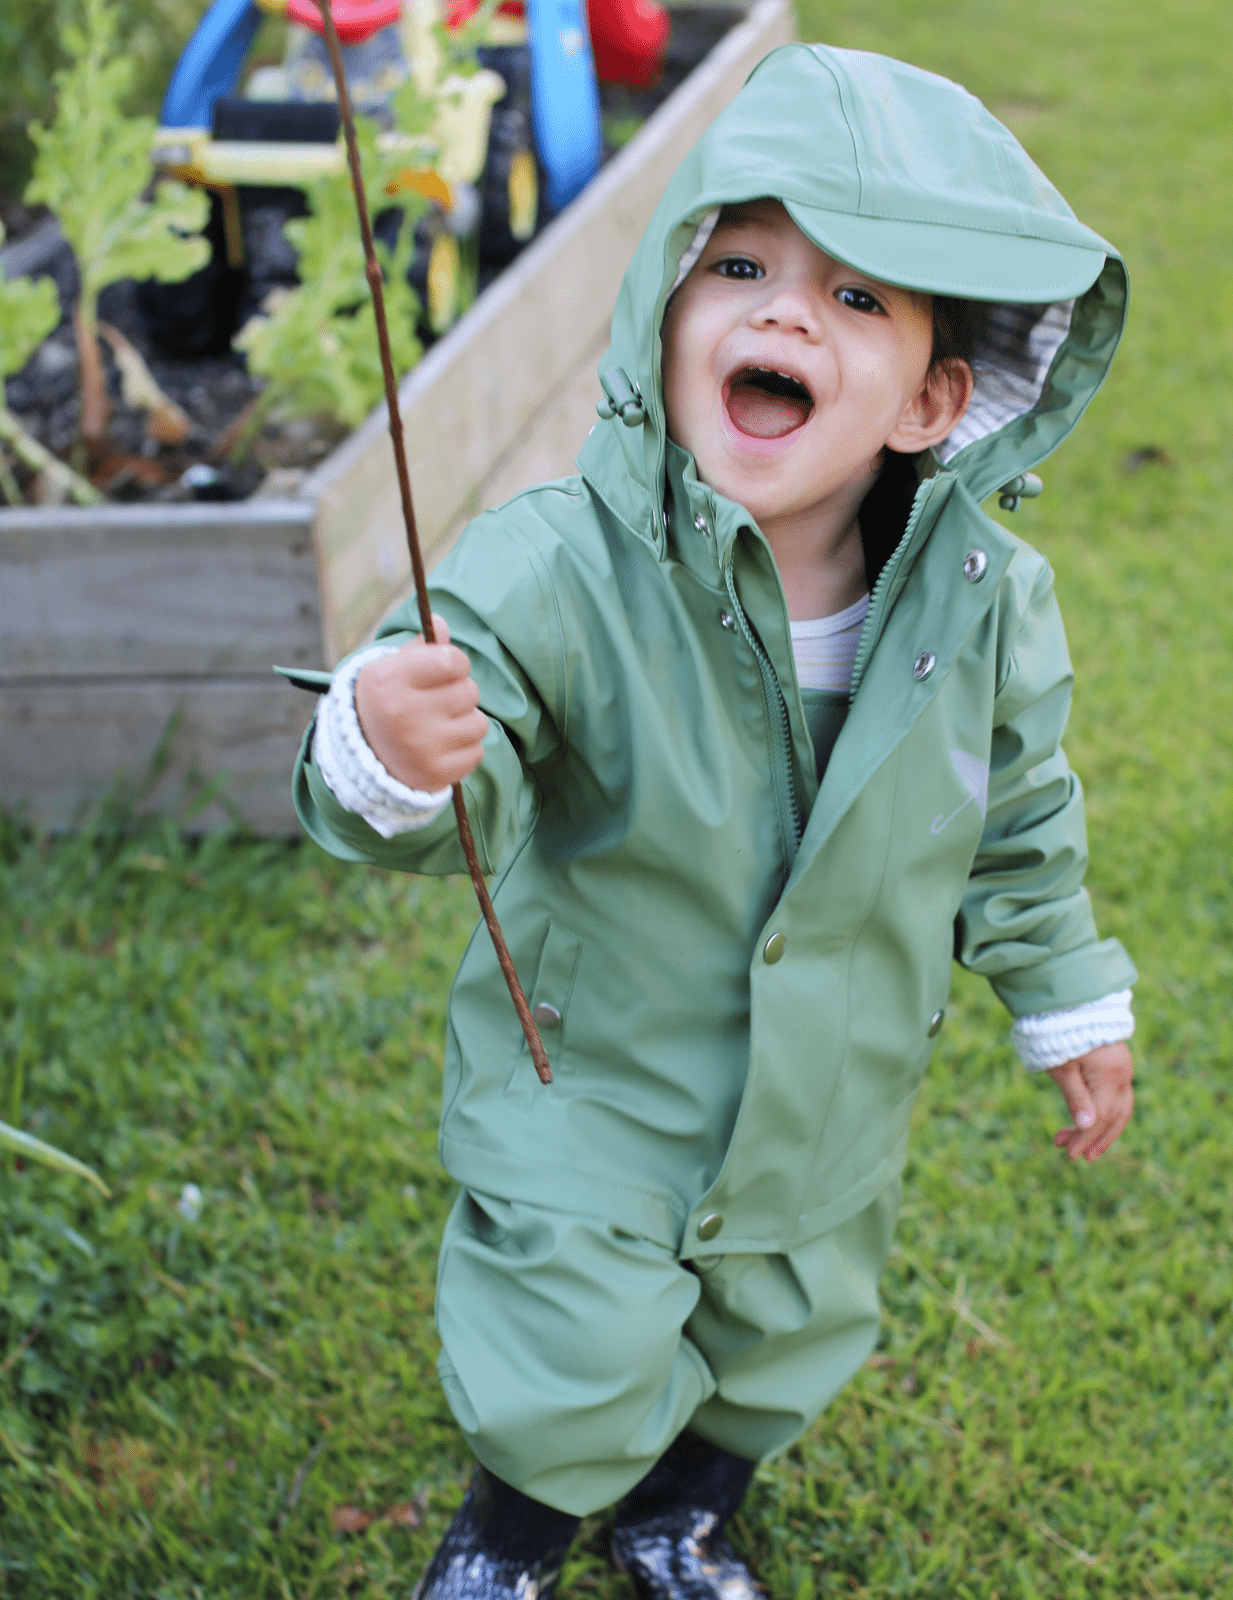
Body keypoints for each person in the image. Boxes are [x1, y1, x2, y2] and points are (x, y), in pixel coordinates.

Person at [294, 42, 1138, 1600]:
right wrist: (396, 749)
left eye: (858, 298)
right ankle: (512, 1532)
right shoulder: (560, 566)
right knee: (573, 1335)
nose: (784, 311)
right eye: (741, 262)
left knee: (787, 1319)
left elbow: (1019, 813)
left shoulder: (986, 605)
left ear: (936, 401)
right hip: (597, 1075)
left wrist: (1065, 990)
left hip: (833, 1085)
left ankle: (686, 1509)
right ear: (668, 308)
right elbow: (447, 794)